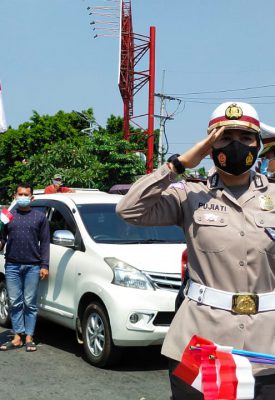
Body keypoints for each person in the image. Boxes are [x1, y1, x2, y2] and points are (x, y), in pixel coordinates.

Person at [116, 101, 275, 400]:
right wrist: (177, 165)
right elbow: (129, 210)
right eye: (225, 138)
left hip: (266, 346)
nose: (237, 146)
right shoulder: (189, 194)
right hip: (202, 341)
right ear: (210, 145)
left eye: (245, 138)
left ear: (258, 144)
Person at [0, 183, 50, 352]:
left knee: (30, 303)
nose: (22, 197)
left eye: (25, 194)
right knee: (15, 302)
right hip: (12, 265)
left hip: (33, 267)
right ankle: (17, 336)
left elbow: (45, 243)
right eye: (20, 194)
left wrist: (44, 265)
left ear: (31, 197)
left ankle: (29, 337)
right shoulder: (8, 217)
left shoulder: (40, 217)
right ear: (15, 196)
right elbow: (2, 240)